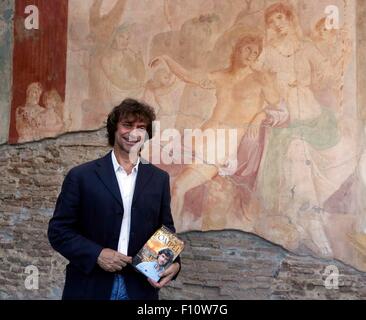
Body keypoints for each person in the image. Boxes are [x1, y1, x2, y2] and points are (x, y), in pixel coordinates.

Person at [48, 98, 181, 300]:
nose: (134, 133)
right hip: (89, 286)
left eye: (141, 127)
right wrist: (97, 254)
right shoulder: (81, 176)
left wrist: (175, 263)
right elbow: (58, 231)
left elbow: (166, 231)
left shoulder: (159, 179)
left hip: (140, 289)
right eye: (127, 125)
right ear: (114, 129)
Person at [150, 34, 283, 230]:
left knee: (178, 188)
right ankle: (160, 252)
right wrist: (166, 59)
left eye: (255, 53)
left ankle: (159, 256)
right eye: (248, 49)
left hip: (224, 143)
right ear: (236, 49)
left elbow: (282, 109)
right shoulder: (221, 76)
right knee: (161, 183)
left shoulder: (260, 79)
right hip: (201, 138)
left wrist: (261, 116)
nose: (251, 55)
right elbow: (189, 77)